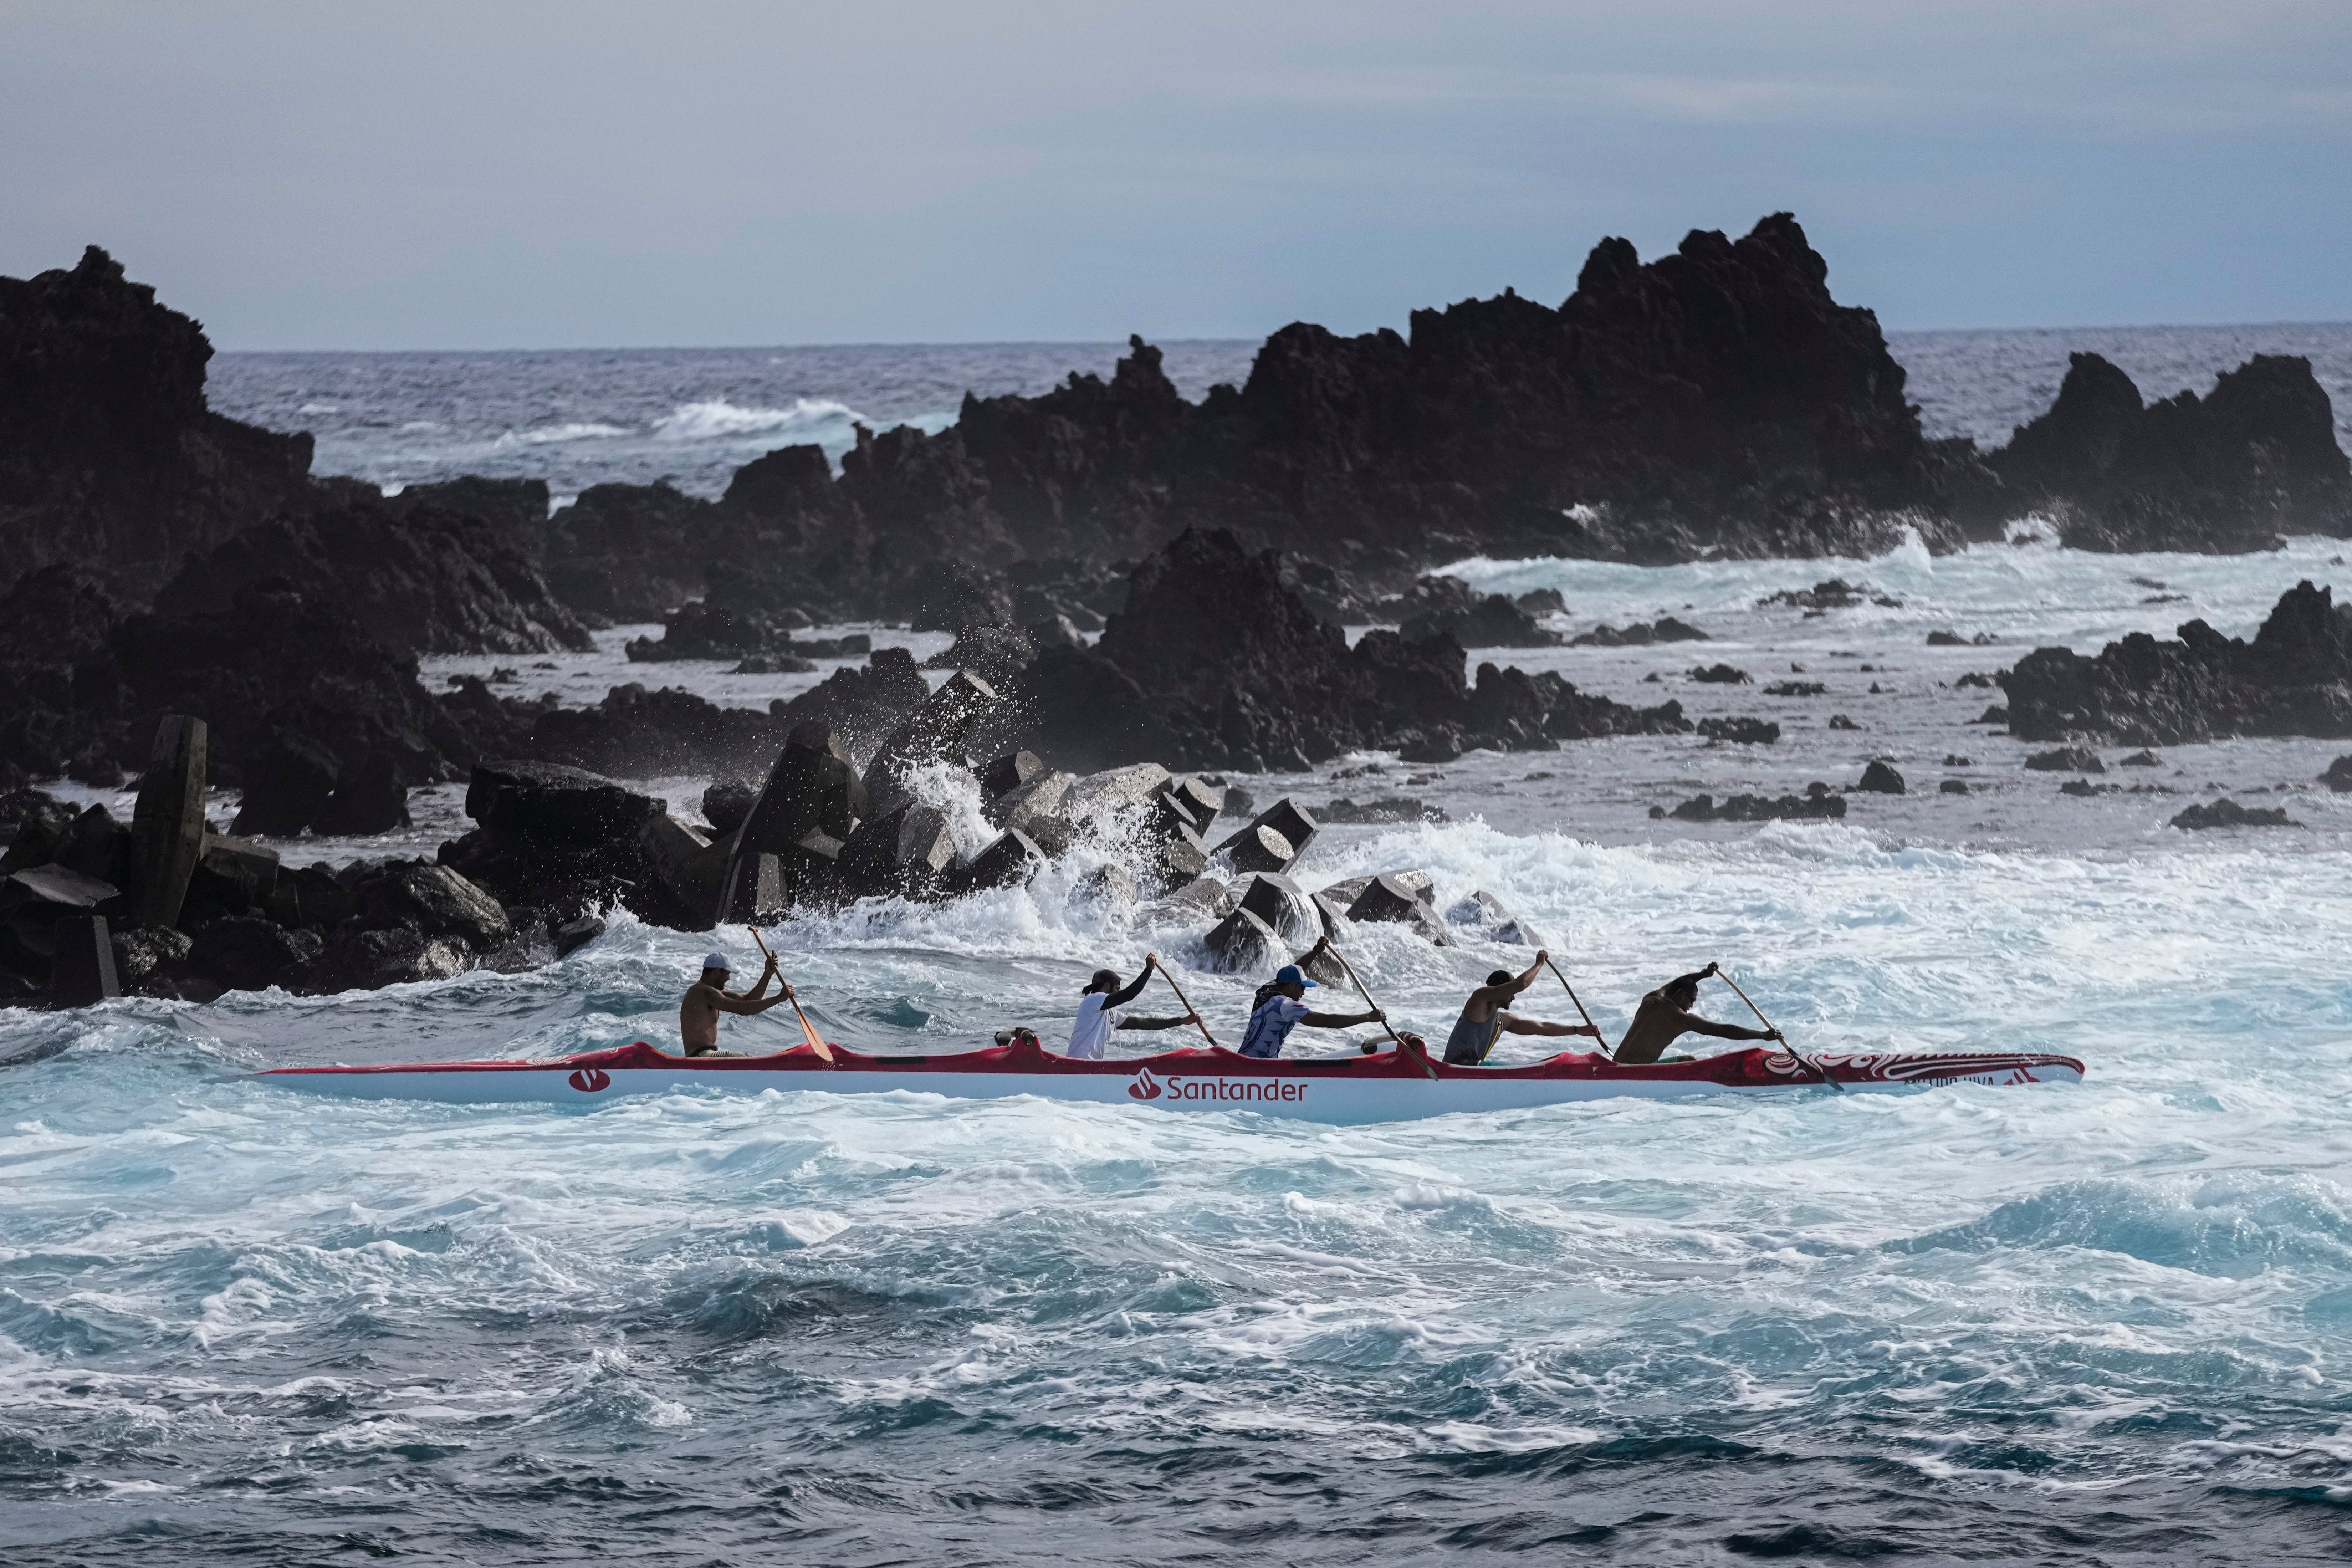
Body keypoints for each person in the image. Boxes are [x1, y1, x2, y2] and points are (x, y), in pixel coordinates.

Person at [1441, 952, 1604, 1064]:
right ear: (1501, 989)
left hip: (1472, 1070)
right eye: (1509, 992)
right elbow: (1521, 985)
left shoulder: (1503, 1021)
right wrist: (1539, 964)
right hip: (1452, 1070)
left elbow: (1541, 1028)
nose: (1513, 997)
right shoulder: (1479, 1000)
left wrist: (1577, 1030)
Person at [1611, 962, 1781, 1065]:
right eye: (1692, 1000)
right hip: (1636, 1072)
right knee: (1690, 1062)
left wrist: (1702, 975)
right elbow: (1723, 1030)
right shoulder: (1680, 1018)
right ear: (1681, 995)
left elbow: (1676, 984)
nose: (1692, 1006)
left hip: (1615, 1065)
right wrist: (1762, 1035)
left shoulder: (1652, 999)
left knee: (1687, 1059)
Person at [1238, 963, 1385, 1059]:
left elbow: (1293, 969)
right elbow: (1328, 1021)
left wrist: (1315, 951)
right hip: (1260, 1066)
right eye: (1302, 987)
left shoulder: (1267, 990)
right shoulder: (1287, 1006)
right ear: (1290, 986)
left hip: (1244, 1058)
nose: (1303, 993)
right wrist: (1367, 1017)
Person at [1067, 953, 1200, 1059]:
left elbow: (1144, 1023)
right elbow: (1129, 994)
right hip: (1076, 1066)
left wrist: (1181, 1021)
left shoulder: (1111, 1014)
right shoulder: (1091, 1001)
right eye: (1117, 989)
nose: (1118, 993)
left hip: (1090, 1068)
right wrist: (1148, 971)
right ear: (1107, 986)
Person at [679, 950, 793, 1057]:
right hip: (701, 1056)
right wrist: (779, 999)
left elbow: (748, 1000)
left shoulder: (711, 992)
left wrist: (767, 975)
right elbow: (742, 1009)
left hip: (706, 1055)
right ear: (717, 972)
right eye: (727, 974)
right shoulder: (703, 992)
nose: (728, 979)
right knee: (748, 1059)